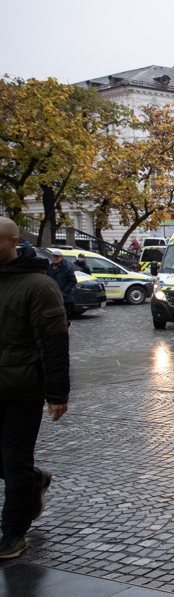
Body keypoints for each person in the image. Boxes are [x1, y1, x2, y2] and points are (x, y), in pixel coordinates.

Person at [0, 219, 70, 558]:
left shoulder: (38, 285)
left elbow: (54, 341)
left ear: (14, 241)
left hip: (22, 390)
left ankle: (12, 532)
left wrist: (57, 394)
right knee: (11, 464)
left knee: (13, 461)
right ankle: (34, 479)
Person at [46, 250, 77, 319]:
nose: (54, 258)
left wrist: (64, 292)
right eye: (53, 257)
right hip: (52, 295)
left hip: (64, 297)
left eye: (57, 257)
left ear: (61, 258)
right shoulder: (49, 267)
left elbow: (73, 281)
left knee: (63, 317)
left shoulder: (67, 268)